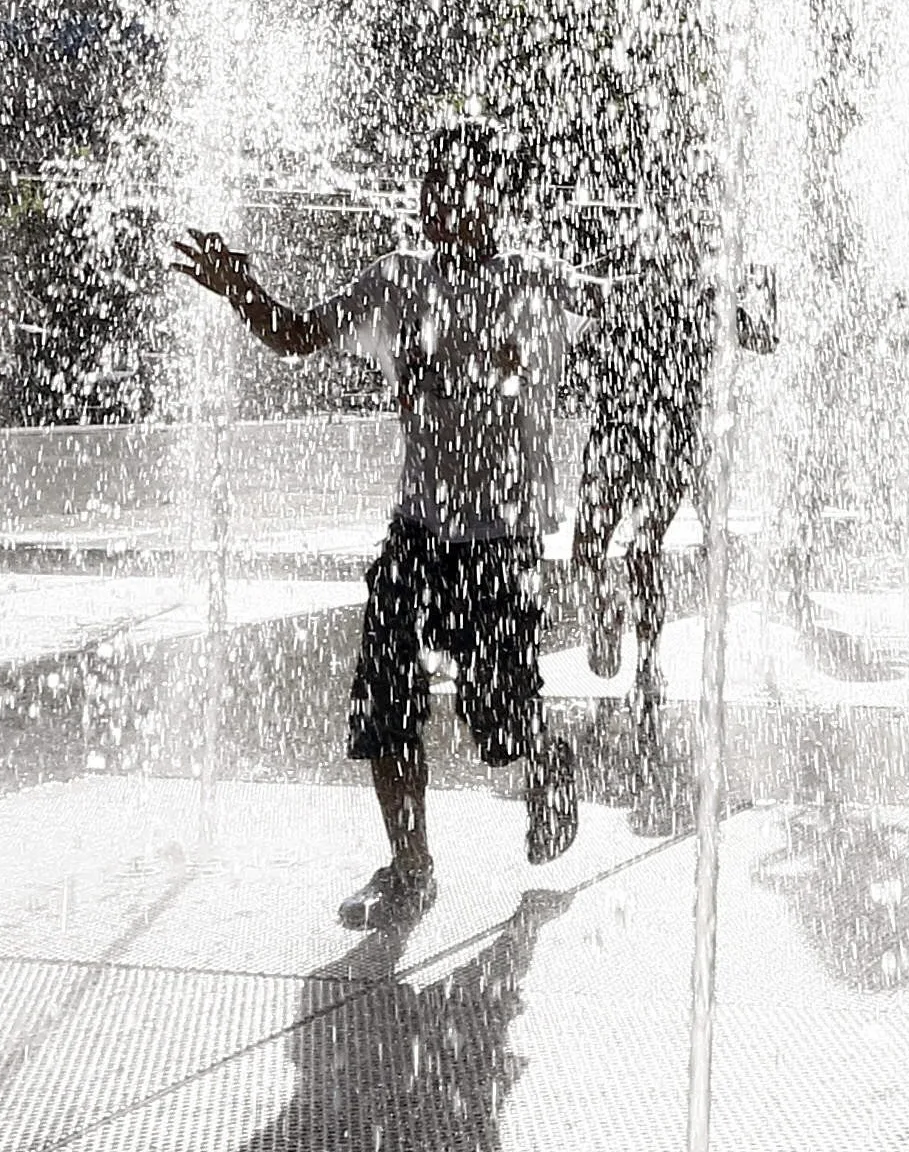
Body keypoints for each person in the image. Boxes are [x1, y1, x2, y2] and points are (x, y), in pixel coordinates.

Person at [177, 120, 591, 927]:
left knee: (496, 723)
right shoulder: (397, 281)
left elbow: (628, 318)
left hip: (501, 544)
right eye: (431, 182)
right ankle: (410, 866)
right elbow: (297, 335)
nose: (435, 199)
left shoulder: (537, 288)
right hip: (417, 533)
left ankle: (546, 762)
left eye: (454, 184)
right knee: (386, 700)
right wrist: (241, 290)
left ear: (493, 199)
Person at [567, 203, 774, 811]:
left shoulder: (705, 301)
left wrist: (761, 294)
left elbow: (765, 338)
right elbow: (578, 347)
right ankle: (609, 612)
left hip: (664, 440)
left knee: (639, 546)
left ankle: (647, 655)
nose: (668, 260)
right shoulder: (631, 293)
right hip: (623, 434)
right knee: (595, 545)